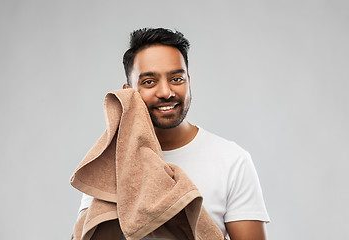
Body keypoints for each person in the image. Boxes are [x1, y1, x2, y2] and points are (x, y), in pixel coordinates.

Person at [78, 28, 270, 240]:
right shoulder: (110, 163)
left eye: (177, 79)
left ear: (189, 81)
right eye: (149, 82)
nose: (166, 92)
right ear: (129, 91)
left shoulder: (232, 161)